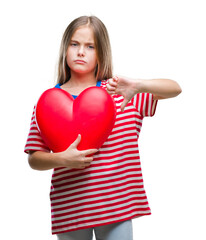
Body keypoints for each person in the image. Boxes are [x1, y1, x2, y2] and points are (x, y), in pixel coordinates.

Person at [24, 16, 182, 240]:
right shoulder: (49, 103)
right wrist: (62, 159)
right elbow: (34, 158)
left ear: (101, 53)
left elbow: (175, 89)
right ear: (65, 48)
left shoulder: (123, 92)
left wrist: (139, 85)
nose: (81, 52)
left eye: (90, 46)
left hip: (117, 207)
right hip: (70, 209)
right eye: (74, 44)